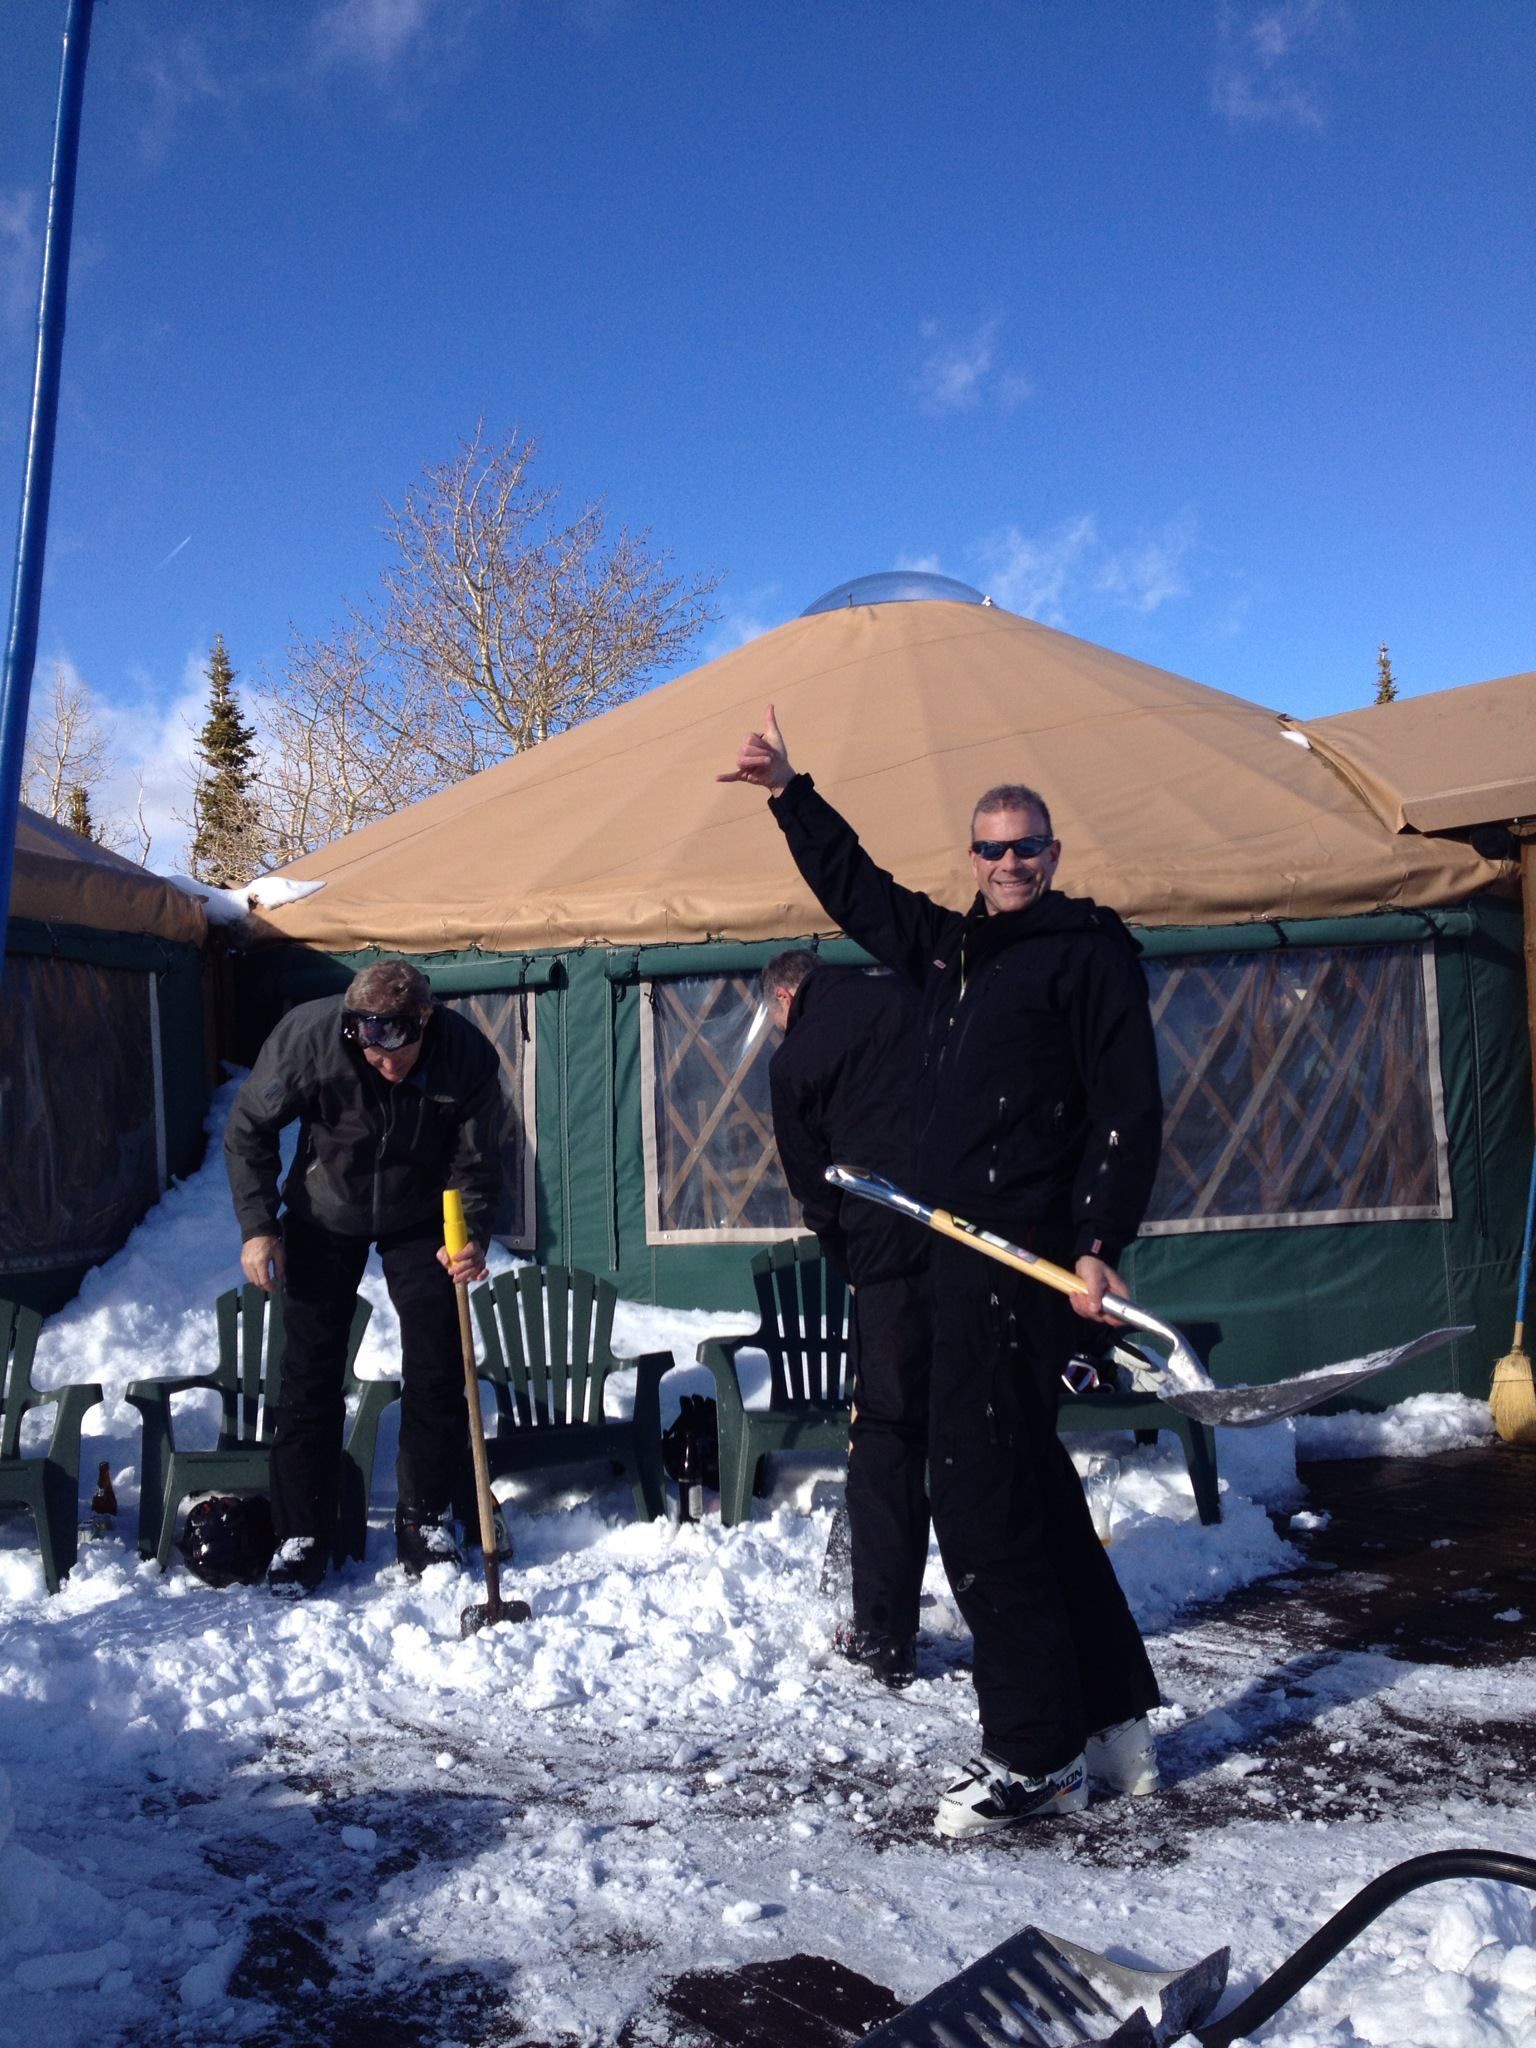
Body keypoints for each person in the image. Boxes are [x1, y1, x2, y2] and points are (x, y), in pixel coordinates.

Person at [723, 708, 1165, 1838]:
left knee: (979, 1501)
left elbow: (1125, 1109)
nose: (1010, 863)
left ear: (1053, 854)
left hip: (1025, 1267)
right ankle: (1110, 1723)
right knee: (1034, 1491)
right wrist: (790, 793)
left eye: (1027, 846)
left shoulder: (1087, 952)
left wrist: (1098, 1242)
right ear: (972, 859)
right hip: (952, 1255)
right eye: (992, 847)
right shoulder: (955, 950)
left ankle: (1033, 1755)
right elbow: (858, 890)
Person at [225, 960, 504, 1596]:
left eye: (400, 1051)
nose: (386, 1065)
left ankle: (424, 1518)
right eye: (373, 1052)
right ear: (355, 1029)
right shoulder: (311, 1038)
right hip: (325, 1209)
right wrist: (258, 1225)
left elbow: (480, 1161)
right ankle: (302, 1532)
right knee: (311, 1367)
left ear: (425, 1023)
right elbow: (248, 1130)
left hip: (421, 1211)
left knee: (437, 1362)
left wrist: (473, 1236)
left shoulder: (464, 1055)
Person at [761, 948, 931, 1689]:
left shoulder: (799, 1053)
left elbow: (814, 1183)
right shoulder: (921, 988)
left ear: (784, 997)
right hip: (982, 1241)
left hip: (887, 1247)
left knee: (888, 1433)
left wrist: (850, 1257)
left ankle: (885, 1633)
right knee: (978, 1434)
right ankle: (1021, 1622)